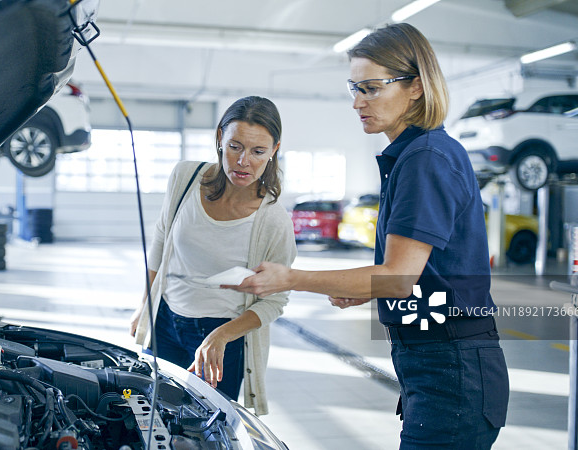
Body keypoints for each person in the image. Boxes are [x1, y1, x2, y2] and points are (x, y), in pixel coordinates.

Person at [229, 24, 509, 448]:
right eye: (354, 88)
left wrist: (290, 278)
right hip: (437, 364)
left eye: (372, 89)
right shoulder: (418, 154)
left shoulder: (425, 159)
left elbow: (398, 276)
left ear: (415, 86)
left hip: (451, 370)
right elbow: (424, 273)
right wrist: (369, 289)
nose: (357, 102)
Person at [130, 96, 296, 415]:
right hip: (165, 319)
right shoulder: (186, 178)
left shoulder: (273, 220)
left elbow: (275, 301)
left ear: (274, 150)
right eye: (235, 146)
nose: (243, 161)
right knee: (151, 413)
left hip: (222, 337)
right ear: (220, 138)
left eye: (258, 151)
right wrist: (145, 304)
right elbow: (162, 241)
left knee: (203, 427)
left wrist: (222, 335)